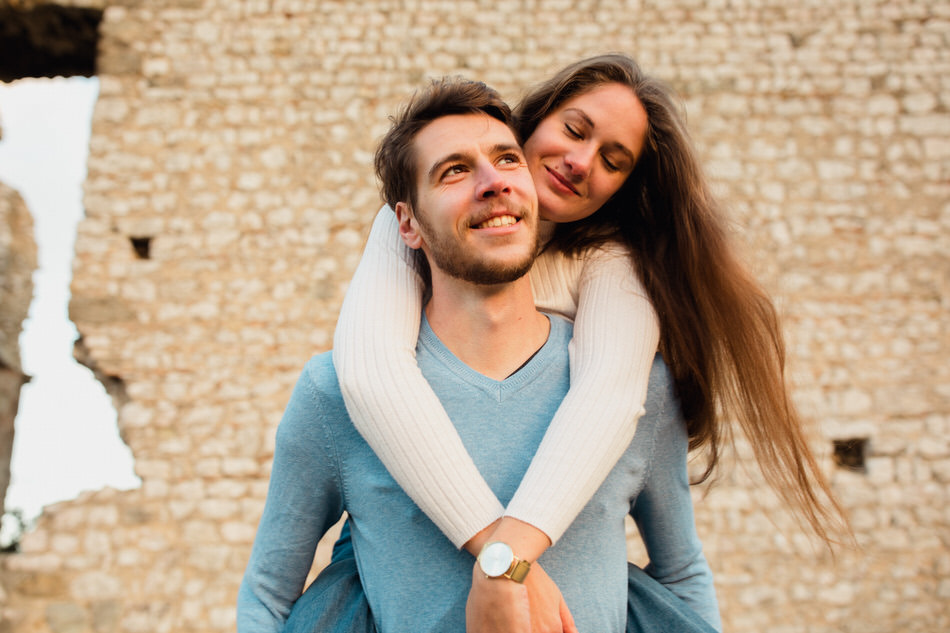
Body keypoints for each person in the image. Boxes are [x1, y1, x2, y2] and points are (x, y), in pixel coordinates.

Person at [332, 54, 850, 631]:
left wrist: (507, 562)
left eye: (613, 160)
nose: (580, 162)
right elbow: (369, 375)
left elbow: (606, 402)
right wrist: (501, 558)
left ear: (623, 190)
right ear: (533, 121)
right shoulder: (412, 224)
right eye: (574, 130)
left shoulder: (612, 267)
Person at [237, 77, 720, 632]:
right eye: (455, 170)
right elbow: (268, 596)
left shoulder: (642, 386)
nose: (493, 183)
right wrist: (507, 562)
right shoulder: (332, 393)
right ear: (406, 223)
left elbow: (682, 573)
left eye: (506, 160)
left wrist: (501, 563)